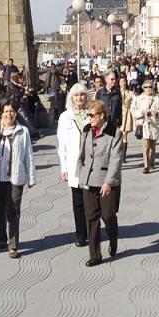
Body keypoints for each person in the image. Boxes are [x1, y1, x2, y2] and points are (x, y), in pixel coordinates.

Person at [0, 99, 36, 258]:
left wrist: (31, 178)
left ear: (16, 113)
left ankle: (13, 245)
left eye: (11, 111)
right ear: (0, 113)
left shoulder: (23, 131)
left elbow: (28, 155)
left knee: (13, 211)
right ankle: (2, 239)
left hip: (16, 177)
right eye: (5, 112)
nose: (8, 115)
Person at [78, 99, 123, 267]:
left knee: (108, 215)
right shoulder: (87, 130)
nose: (89, 118)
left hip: (106, 181)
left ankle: (113, 236)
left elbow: (115, 160)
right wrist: (79, 177)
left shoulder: (114, 132)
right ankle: (95, 255)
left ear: (101, 115)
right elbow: (81, 155)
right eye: (87, 115)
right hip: (89, 180)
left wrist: (108, 182)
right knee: (91, 217)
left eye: (91, 115)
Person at [56, 83, 90, 247]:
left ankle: (92, 230)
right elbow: (61, 144)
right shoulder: (65, 117)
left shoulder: (92, 114)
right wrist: (63, 167)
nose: (79, 98)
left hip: (91, 162)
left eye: (82, 95)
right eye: (76, 96)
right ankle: (81, 234)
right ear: (71, 98)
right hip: (73, 162)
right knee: (78, 201)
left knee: (91, 199)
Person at [131, 80, 159, 173]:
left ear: (153, 88)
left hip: (154, 125)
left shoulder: (156, 98)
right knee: (145, 145)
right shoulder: (139, 99)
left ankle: (151, 163)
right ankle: (146, 166)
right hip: (144, 124)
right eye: (146, 87)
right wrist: (142, 113)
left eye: (150, 87)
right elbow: (133, 111)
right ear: (143, 88)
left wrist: (157, 113)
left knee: (152, 146)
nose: (148, 89)